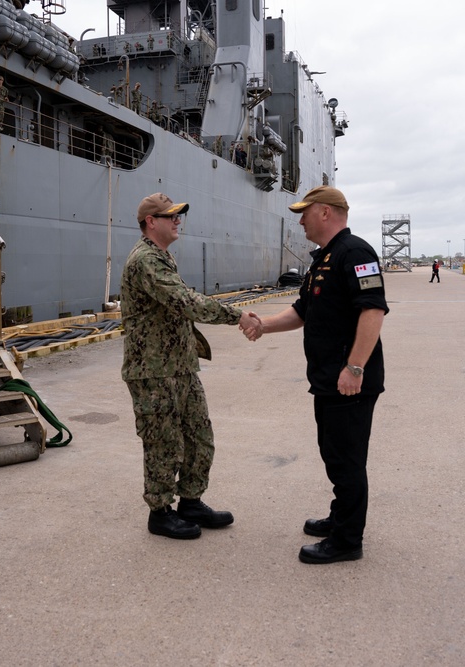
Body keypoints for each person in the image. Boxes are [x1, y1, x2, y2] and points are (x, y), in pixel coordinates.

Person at [243, 186, 387, 564]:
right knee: (333, 454)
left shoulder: (355, 252)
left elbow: (372, 311)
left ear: (325, 212)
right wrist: (263, 325)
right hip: (328, 378)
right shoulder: (324, 258)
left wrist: (355, 367)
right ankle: (341, 518)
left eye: (305, 212)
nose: (301, 219)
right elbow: (302, 310)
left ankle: (346, 541)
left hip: (349, 380)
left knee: (347, 459)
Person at [120, 192, 260, 540]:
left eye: (178, 215)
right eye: (171, 216)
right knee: (163, 442)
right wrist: (236, 315)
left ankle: (191, 501)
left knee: (199, 436)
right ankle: (160, 511)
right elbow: (185, 302)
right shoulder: (145, 261)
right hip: (153, 371)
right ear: (151, 222)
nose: (177, 220)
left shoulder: (163, 257)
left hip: (179, 366)